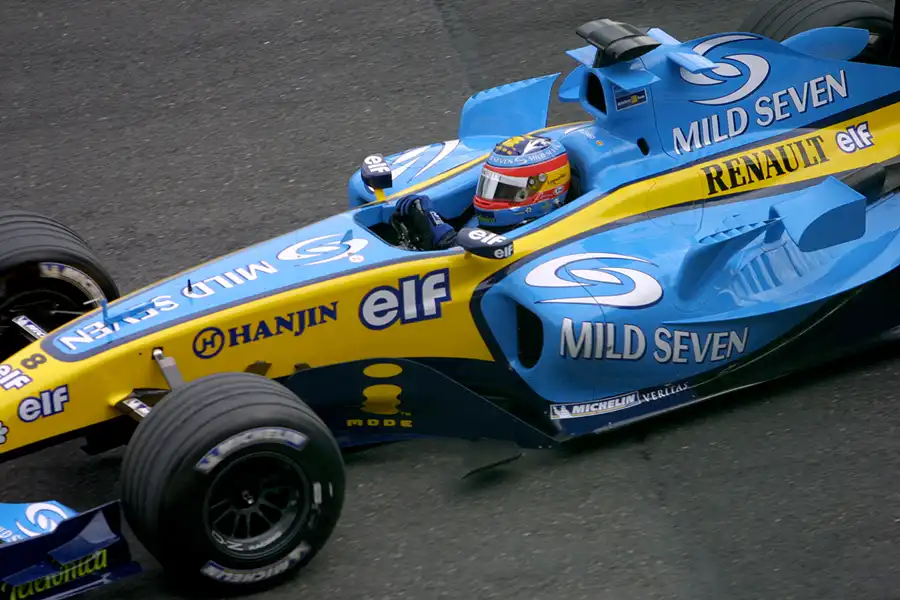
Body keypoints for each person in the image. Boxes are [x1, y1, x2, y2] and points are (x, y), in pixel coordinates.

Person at [389, 134, 572, 251]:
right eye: (490, 185)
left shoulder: (548, 241)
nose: (490, 198)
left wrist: (443, 238)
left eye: (507, 190)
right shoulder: (481, 217)